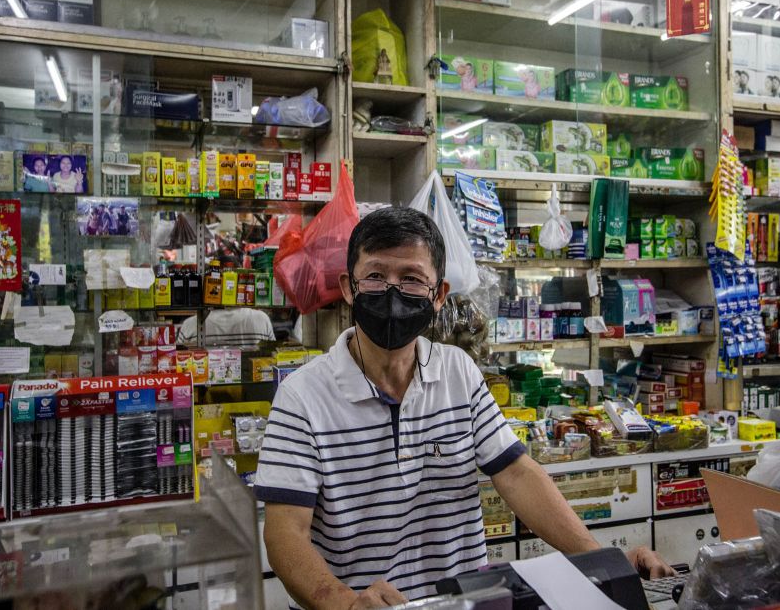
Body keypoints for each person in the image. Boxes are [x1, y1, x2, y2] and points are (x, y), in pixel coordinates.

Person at [255, 207, 674, 610]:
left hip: (463, 602)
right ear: (349, 287)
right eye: (376, 276)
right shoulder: (302, 397)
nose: (393, 292)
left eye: (412, 279)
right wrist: (345, 603)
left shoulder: (458, 371)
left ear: (438, 296)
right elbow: (285, 533)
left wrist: (601, 563)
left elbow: (516, 474)